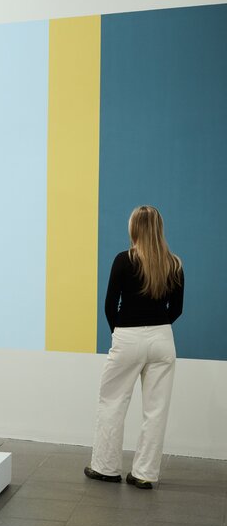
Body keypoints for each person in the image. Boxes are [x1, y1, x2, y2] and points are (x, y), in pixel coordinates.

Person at [84, 205, 184, 490]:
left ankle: (106, 467)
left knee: (112, 402)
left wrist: (120, 331)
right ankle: (145, 474)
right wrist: (158, 328)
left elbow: (109, 305)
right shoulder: (174, 263)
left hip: (128, 337)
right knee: (156, 410)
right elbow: (176, 309)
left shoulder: (123, 260)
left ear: (134, 229)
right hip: (163, 339)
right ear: (158, 229)